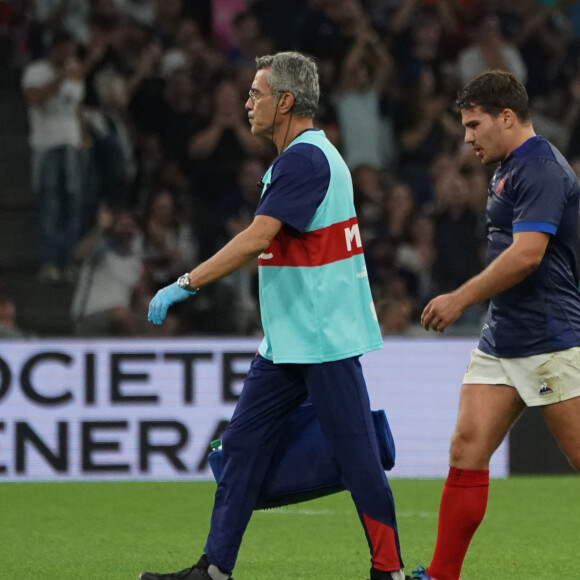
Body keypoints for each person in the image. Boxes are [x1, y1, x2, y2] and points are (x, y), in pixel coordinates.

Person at [142, 51, 408, 580]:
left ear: (285, 101)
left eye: (256, 94)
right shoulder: (305, 157)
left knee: (357, 455)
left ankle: (390, 571)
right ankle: (214, 569)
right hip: (290, 337)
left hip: (321, 335)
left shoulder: (305, 159)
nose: (247, 104)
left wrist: (185, 282)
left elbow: (259, 237)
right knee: (241, 445)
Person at [411, 70, 580, 580]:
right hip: (502, 338)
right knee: (466, 450)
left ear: (506, 117)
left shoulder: (542, 169)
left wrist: (460, 298)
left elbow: (528, 255)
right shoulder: (508, 168)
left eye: (473, 124)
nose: (467, 137)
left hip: (548, 338)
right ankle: (442, 576)